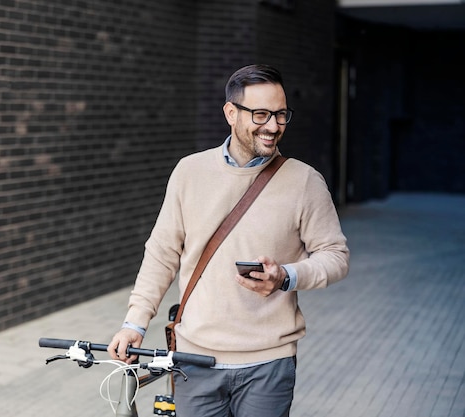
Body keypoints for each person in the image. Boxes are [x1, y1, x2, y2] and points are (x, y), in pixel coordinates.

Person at [108, 64, 350, 417]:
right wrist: (135, 322)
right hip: (194, 360)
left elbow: (336, 256)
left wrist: (286, 276)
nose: (273, 127)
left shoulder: (305, 181)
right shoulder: (189, 172)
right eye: (262, 114)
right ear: (231, 113)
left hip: (268, 363)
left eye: (281, 115)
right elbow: (162, 253)